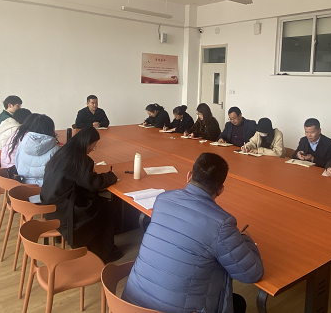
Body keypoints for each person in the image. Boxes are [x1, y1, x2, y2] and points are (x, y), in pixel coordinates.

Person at [122, 153, 264, 313]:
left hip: (128, 303)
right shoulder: (222, 223)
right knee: (238, 303)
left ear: (189, 176)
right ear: (220, 190)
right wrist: (245, 238)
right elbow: (252, 273)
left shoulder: (163, 199)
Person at [40, 127, 121, 263]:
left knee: (101, 204)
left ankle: (100, 247)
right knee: (109, 208)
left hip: (50, 206)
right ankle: (104, 254)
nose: (93, 149)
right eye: (94, 146)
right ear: (87, 143)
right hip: (66, 212)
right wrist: (110, 176)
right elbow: (93, 183)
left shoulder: (62, 153)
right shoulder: (80, 160)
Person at [14, 114, 59, 186]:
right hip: (46, 189)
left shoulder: (22, 144)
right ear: (51, 129)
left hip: (23, 188)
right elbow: (57, 173)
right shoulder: (55, 149)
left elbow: (17, 164)